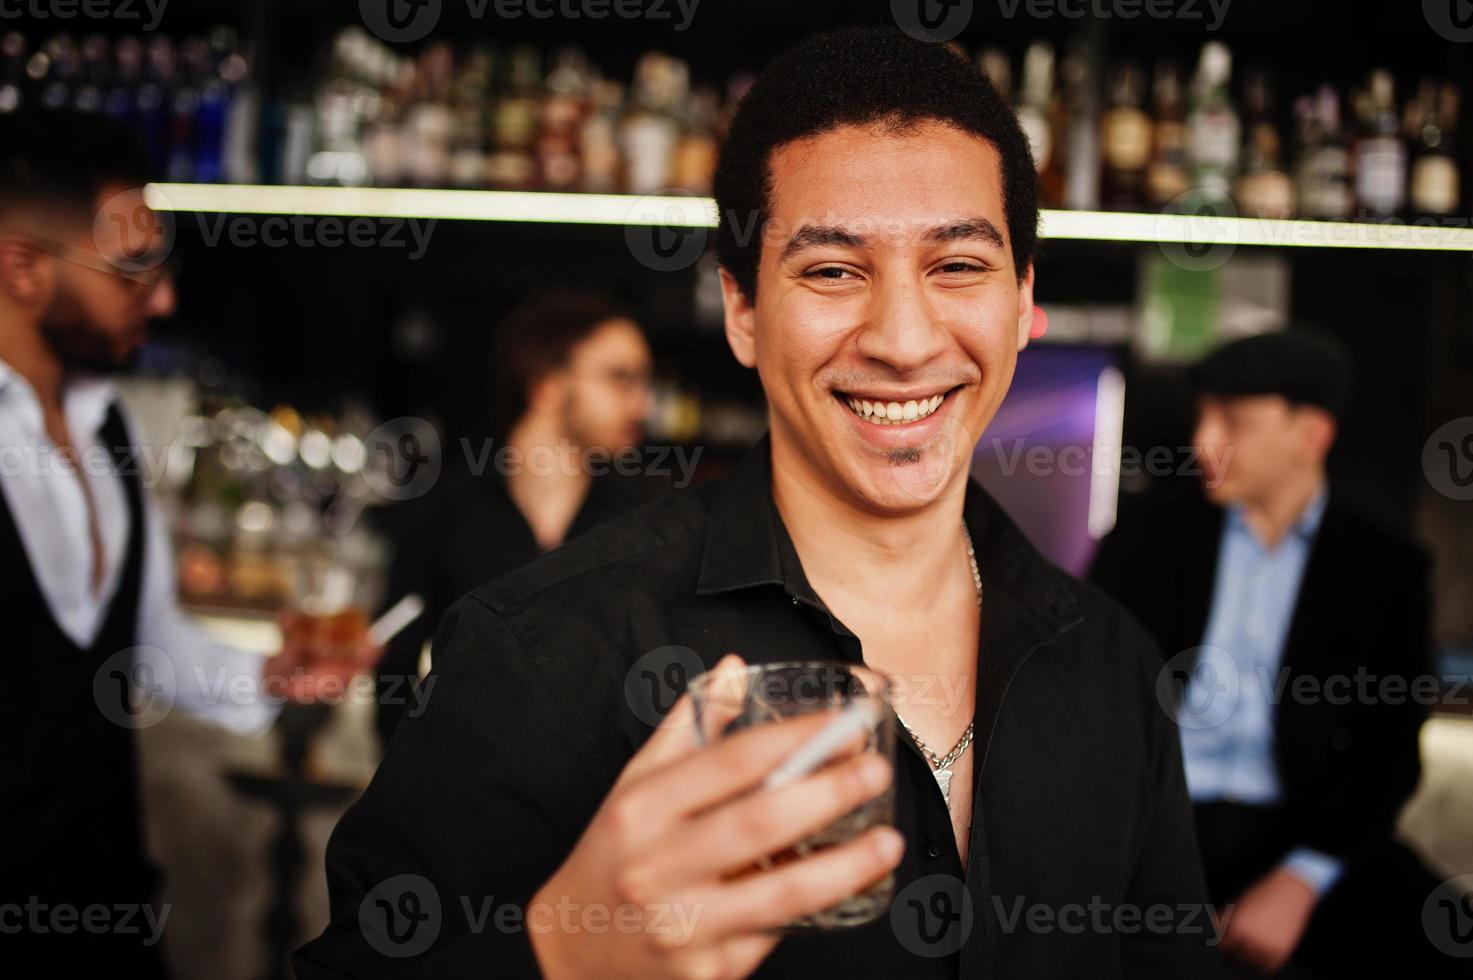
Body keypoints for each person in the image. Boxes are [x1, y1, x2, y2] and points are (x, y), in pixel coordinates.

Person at [296, 28, 1225, 979]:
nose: (904, 340)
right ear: (742, 310)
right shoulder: (541, 649)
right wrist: (563, 953)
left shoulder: (1112, 667)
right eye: (830, 270)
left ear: (1022, 297)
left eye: (957, 266)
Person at [0, 110, 374, 975]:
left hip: (107, 903)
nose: (163, 299)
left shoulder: (111, 428)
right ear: (22, 271)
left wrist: (268, 679)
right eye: (132, 273)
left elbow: (148, 642)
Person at [1089, 330, 1460, 977]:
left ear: (1309, 435)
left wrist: (1300, 879)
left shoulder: (1383, 568)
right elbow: (1084, 697)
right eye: (1200, 417)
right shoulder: (1147, 535)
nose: (1203, 443)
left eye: (1230, 420)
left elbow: (1388, 749)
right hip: (1154, 819)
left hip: (1300, 827)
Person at [373, 291, 661, 746]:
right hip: (467, 792)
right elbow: (393, 666)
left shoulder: (647, 517)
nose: (641, 406)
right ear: (546, 384)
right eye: (619, 379)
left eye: (643, 383)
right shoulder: (447, 511)